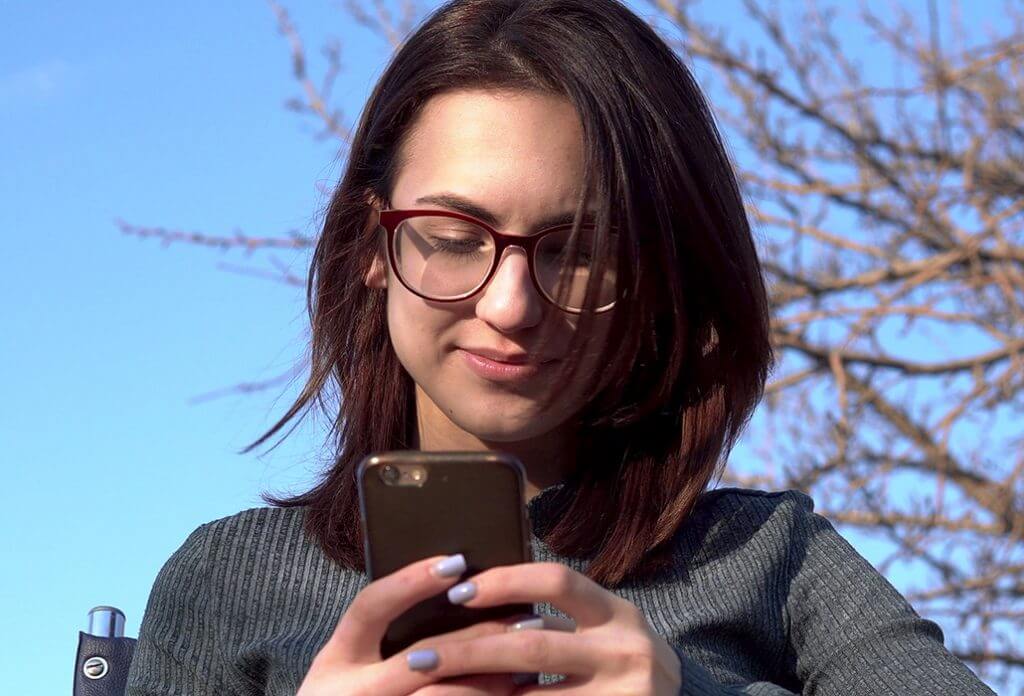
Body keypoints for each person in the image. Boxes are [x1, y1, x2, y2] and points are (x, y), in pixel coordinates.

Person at [125, 0, 996, 694]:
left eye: (578, 248)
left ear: (662, 279)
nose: (511, 304)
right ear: (373, 252)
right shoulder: (225, 585)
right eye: (453, 232)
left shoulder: (776, 559)